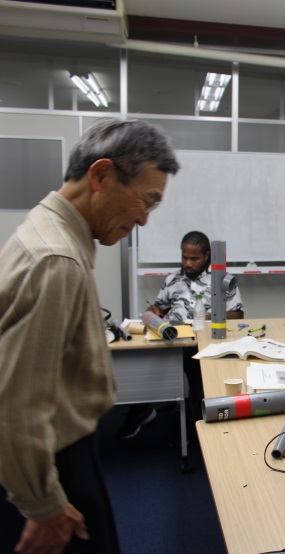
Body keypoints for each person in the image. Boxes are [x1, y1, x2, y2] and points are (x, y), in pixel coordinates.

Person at [0, 118, 179, 553]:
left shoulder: (48, 232)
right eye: (146, 201)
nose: (144, 220)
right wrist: (42, 506)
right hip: (52, 464)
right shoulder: (56, 260)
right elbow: (17, 404)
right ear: (100, 175)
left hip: (55, 455)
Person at [117, 230, 244, 439]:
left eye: (194, 258)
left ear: (206, 256)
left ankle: (195, 423)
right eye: (184, 257)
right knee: (139, 362)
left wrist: (208, 316)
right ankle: (142, 410)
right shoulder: (173, 280)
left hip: (202, 344)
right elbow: (157, 307)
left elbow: (237, 315)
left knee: (196, 374)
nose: (187, 263)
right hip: (172, 341)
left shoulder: (222, 280)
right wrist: (153, 312)